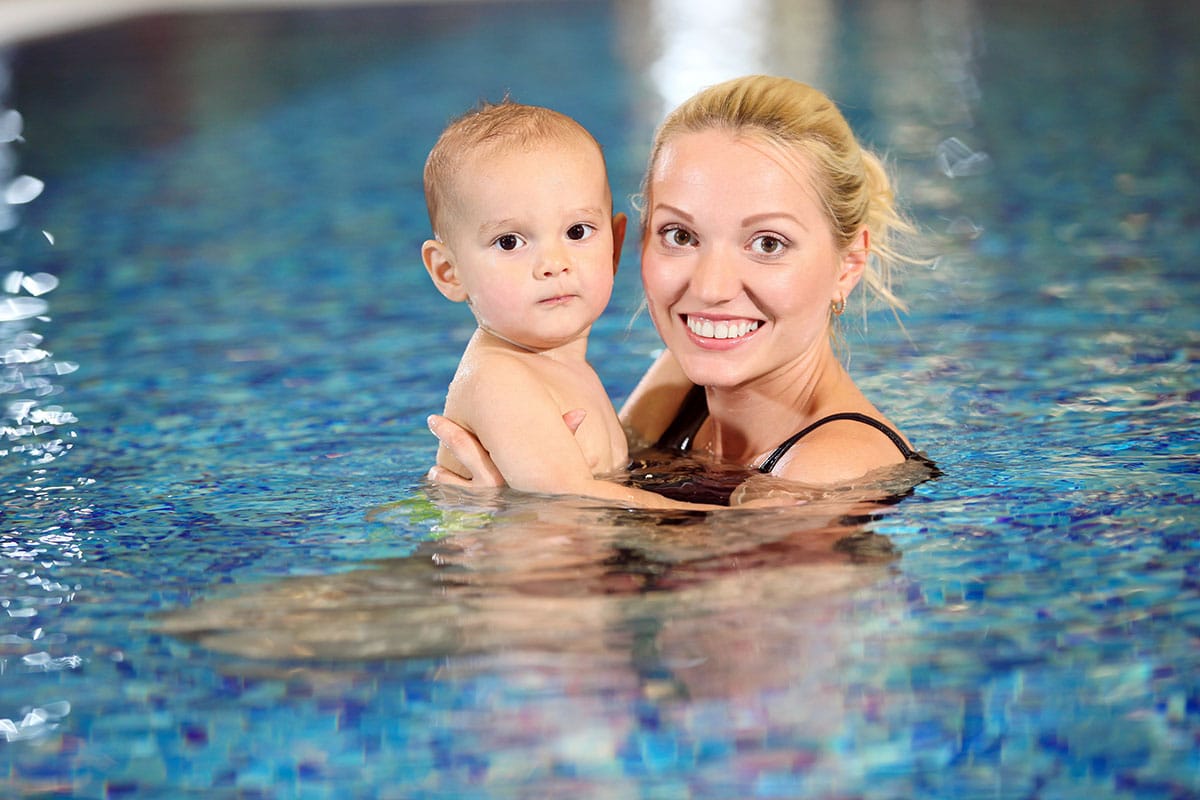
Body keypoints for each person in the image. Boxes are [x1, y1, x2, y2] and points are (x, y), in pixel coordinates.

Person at [428, 76, 932, 501]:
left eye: (768, 243)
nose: (711, 288)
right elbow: (593, 473)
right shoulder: (684, 379)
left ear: (849, 265)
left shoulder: (833, 465)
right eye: (681, 235)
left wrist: (507, 511)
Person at [422, 99, 732, 509]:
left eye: (577, 231)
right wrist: (729, 522)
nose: (553, 264)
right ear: (449, 272)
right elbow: (572, 500)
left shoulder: (557, 365)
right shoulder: (499, 379)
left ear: (615, 246)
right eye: (510, 241)